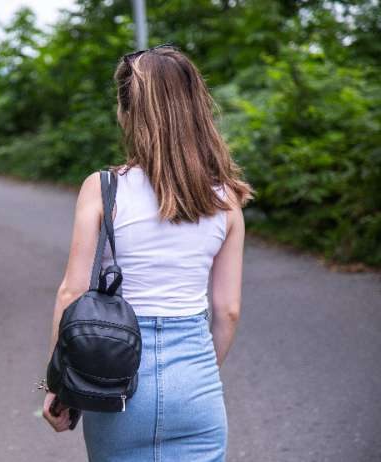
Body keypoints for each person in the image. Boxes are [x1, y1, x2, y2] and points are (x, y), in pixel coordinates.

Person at [41, 44, 254, 461]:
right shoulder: (225, 199)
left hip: (115, 381)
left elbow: (71, 294)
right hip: (197, 387)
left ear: (126, 113)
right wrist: (194, 378)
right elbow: (227, 311)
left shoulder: (103, 188)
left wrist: (57, 384)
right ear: (196, 109)